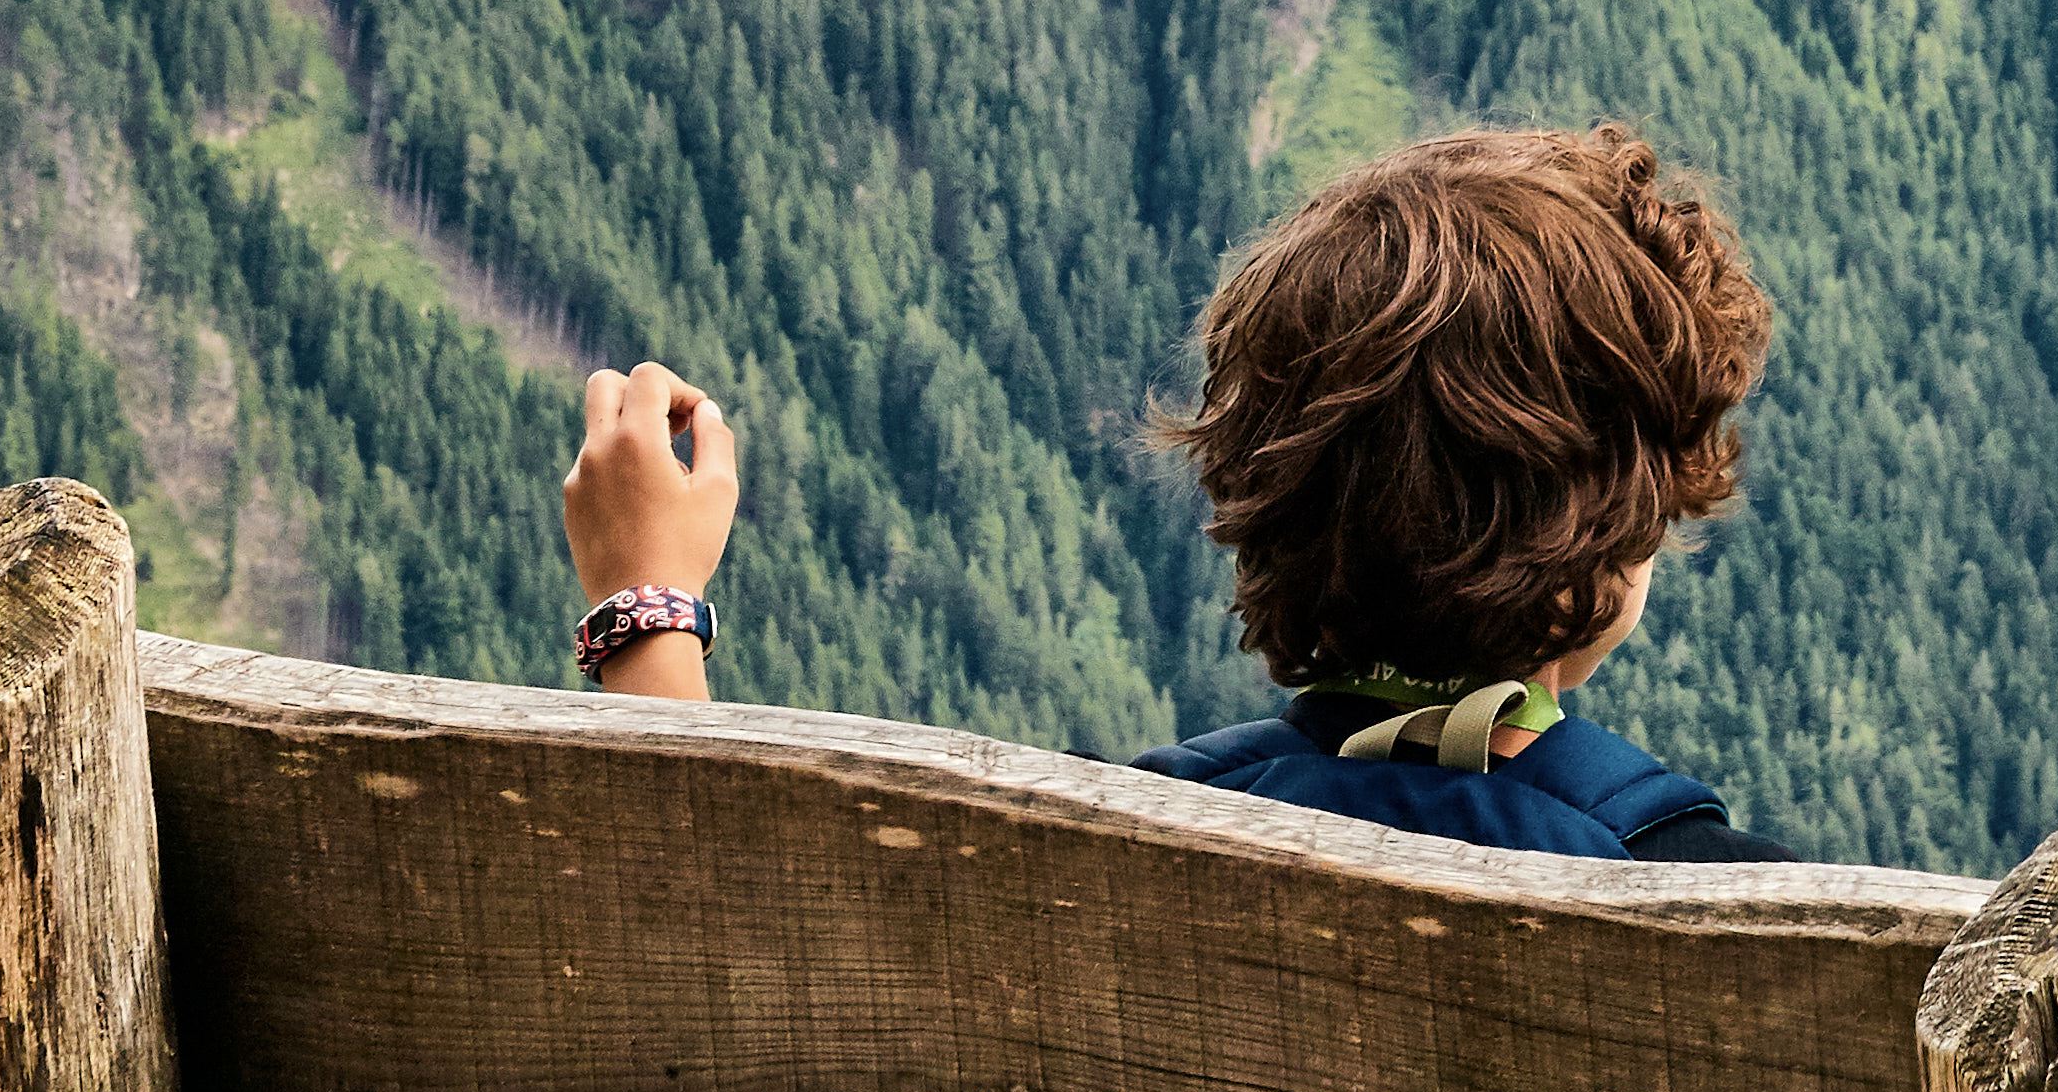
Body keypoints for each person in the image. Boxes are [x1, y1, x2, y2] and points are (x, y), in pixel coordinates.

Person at [551, 121, 1800, 861]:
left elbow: (736, 941)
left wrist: (643, 612)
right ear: (1600, 569)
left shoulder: (1110, 845)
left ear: (1261, 493)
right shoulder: (1720, 907)